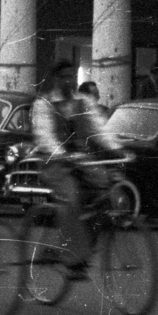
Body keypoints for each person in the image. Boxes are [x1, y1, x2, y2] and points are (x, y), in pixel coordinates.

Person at [32, 59, 121, 275]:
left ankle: (82, 249)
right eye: (64, 76)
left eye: (72, 76)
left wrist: (117, 148)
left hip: (80, 160)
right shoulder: (44, 104)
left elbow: (98, 129)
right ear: (55, 79)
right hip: (54, 163)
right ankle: (73, 259)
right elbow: (45, 137)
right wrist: (63, 154)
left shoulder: (84, 102)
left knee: (106, 195)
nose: (69, 80)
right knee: (70, 198)